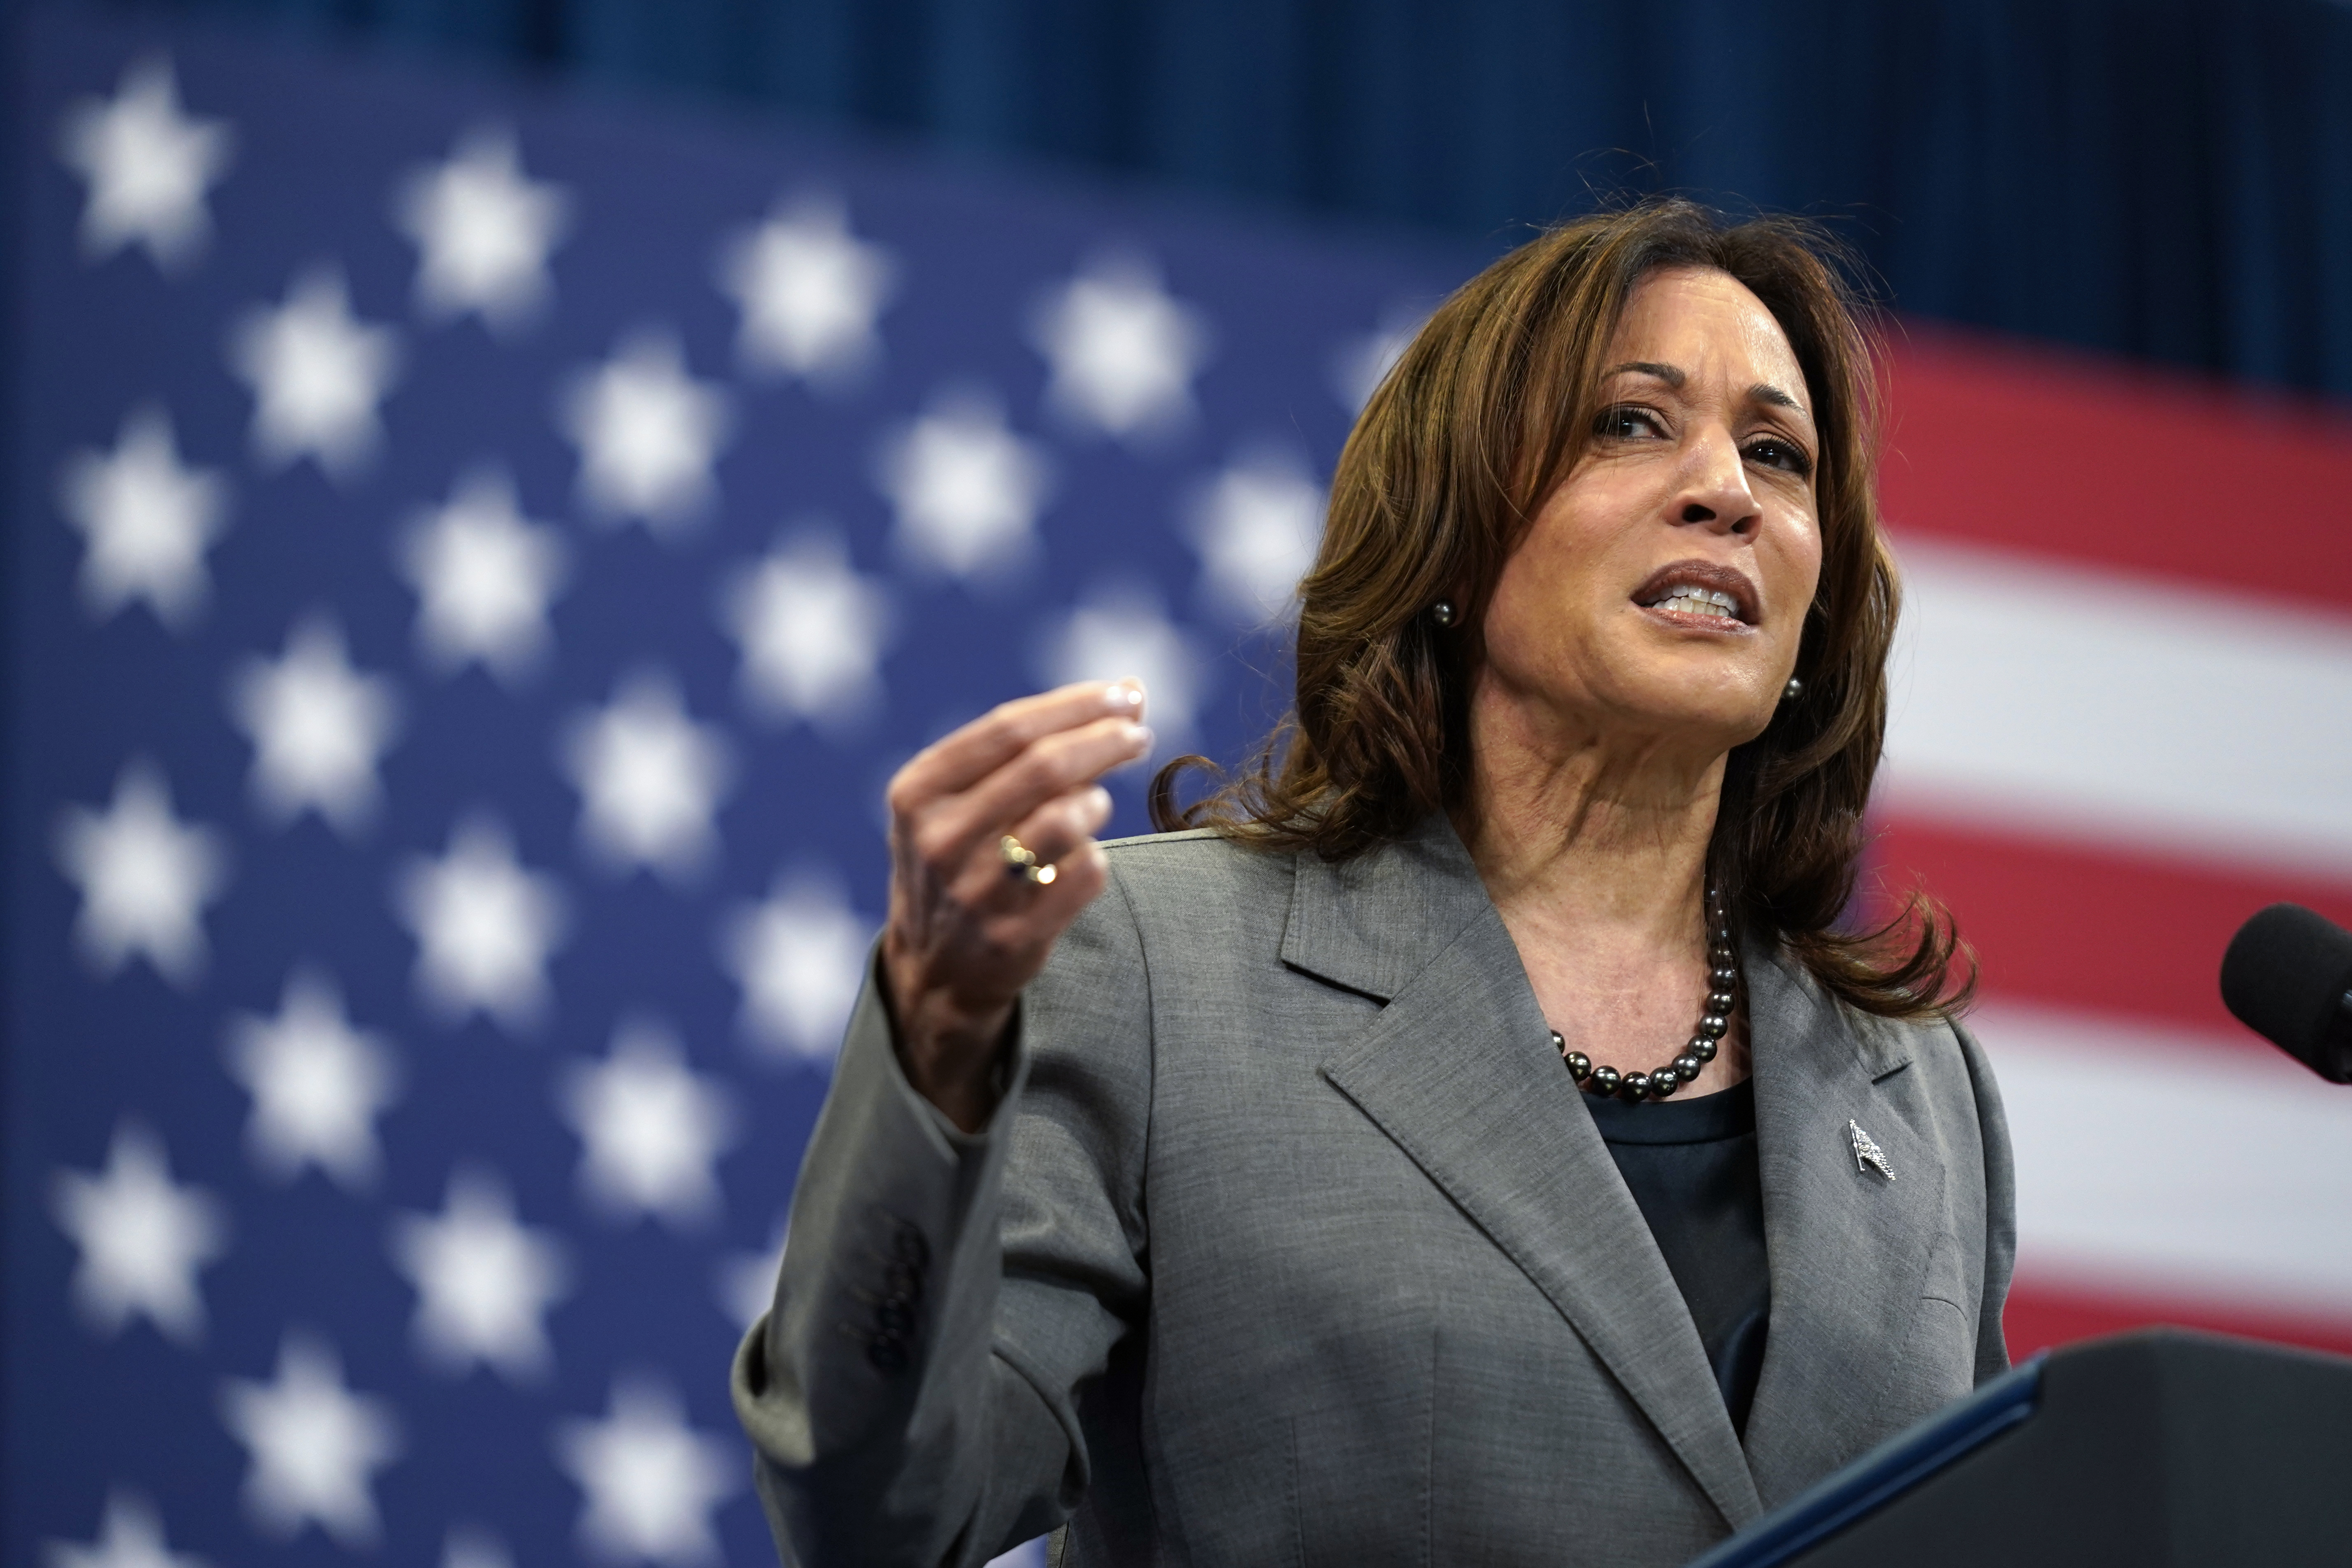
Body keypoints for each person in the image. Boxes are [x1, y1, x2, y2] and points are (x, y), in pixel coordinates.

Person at [731, 197, 2014, 1568]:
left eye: (1779, 452)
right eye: (1630, 423)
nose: (1728, 489)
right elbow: (882, 1514)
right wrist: (935, 1047)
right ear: (1454, 541)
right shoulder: (1158, 969)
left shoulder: (1918, 1086)